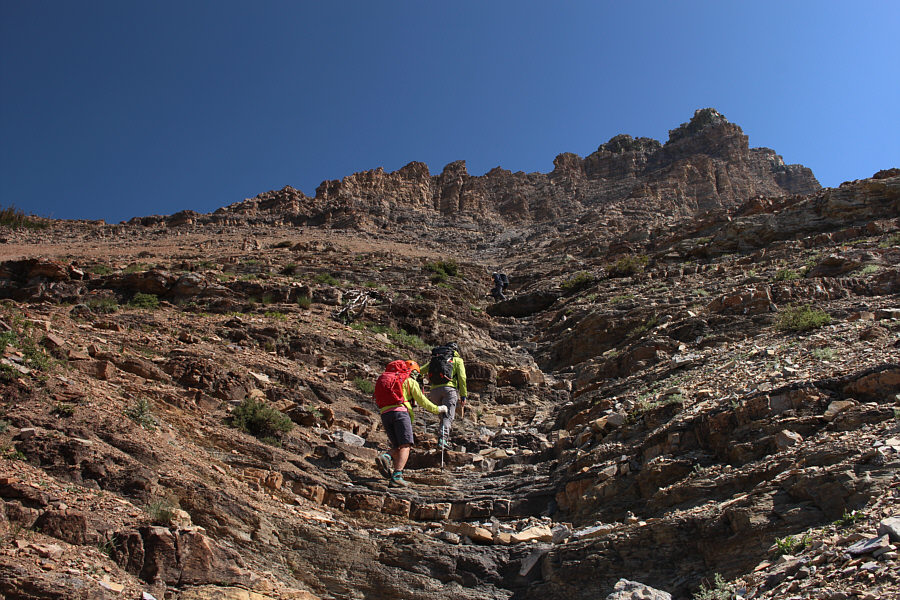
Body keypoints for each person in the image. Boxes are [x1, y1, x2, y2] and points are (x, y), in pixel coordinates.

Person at [373, 360, 447, 487]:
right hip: (401, 413)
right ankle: (396, 474)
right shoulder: (408, 381)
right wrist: (438, 409)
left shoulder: (386, 379)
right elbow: (423, 401)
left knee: (398, 446)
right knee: (405, 445)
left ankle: (387, 458)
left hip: (385, 414)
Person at [421, 342, 467, 449]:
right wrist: (463, 395)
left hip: (434, 391)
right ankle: (443, 440)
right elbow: (462, 378)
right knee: (448, 417)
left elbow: (420, 370)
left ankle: (442, 437)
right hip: (449, 390)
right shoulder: (457, 360)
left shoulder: (435, 359)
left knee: (442, 416)